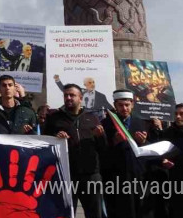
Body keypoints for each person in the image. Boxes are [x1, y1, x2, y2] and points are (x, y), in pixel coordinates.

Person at [43, 83, 105, 218]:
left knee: (95, 213)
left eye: (72, 95)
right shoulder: (54, 118)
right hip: (66, 175)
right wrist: (56, 138)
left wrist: (100, 137)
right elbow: (45, 143)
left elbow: (102, 148)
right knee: (66, 213)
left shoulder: (92, 118)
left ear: (80, 98)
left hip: (91, 174)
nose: (68, 98)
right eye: (66, 95)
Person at [99, 90, 162, 218]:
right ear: (115, 105)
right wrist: (113, 143)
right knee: (119, 209)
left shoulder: (143, 123)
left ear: (132, 104)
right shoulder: (106, 123)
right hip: (116, 174)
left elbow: (153, 147)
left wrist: (144, 142)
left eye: (127, 105)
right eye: (121, 105)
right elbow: (100, 149)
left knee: (142, 208)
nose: (124, 108)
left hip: (139, 174)